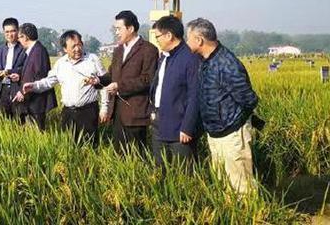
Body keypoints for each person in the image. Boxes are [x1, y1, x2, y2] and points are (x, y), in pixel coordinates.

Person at [186, 18, 259, 194]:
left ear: (199, 40)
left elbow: (249, 99)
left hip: (232, 134)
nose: (186, 42)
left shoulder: (227, 63)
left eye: (188, 38)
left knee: (241, 184)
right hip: (215, 133)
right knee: (224, 183)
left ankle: (250, 217)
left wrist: (234, 122)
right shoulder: (205, 61)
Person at [23, 30, 109, 147]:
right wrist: (33, 86)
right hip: (68, 113)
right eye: (73, 46)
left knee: (90, 145)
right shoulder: (61, 63)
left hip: (88, 112)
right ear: (65, 49)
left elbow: (105, 83)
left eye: (79, 44)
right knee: (68, 145)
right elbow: (48, 82)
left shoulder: (92, 59)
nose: (77, 49)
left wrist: (104, 108)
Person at [98, 10, 158, 154]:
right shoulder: (118, 50)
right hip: (118, 113)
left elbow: (147, 79)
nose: (116, 32)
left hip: (136, 114)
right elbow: (112, 74)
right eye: (115, 29)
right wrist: (97, 80)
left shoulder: (148, 50)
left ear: (130, 28)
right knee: (119, 156)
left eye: (119, 29)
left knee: (136, 156)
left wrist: (119, 86)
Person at [149, 16, 201, 169]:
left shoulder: (189, 58)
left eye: (157, 36)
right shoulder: (164, 57)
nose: (156, 40)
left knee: (182, 173)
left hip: (180, 128)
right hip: (159, 123)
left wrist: (187, 126)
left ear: (169, 35)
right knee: (160, 169)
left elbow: (195, 96)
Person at [13, 23, 57, 131]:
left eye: (19, 37)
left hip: (37, 101)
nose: (19, 40)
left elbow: (39, 76)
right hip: (31, 99)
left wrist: (23, 92)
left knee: (37, 132)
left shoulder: (38, 51)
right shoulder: (32, 51)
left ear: (25, 37)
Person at [0, 17, 26, 119]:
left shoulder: (24, 48)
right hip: (2, 89)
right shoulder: (0, 48)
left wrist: (8, 72)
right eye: (7, 32)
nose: (10, 34)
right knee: (3, 120)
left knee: (18, 120)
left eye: (13, 31)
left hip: (16, 88)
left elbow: (25, 68)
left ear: (18, 31)